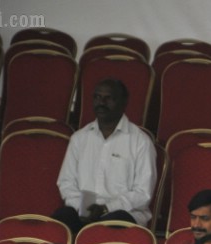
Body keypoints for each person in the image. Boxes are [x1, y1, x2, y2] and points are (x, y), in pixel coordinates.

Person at [54, 78, 156, 234]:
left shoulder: (140, 141)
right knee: (61, 219)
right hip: (83, 212)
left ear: (124, 102)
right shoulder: (79, 138)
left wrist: (107, 208)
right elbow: (66, 182)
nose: (101, 102)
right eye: (97, 97)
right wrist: (81, 208)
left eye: (108, 98)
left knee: (114, 221)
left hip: (123, 213)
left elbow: (143, 193)